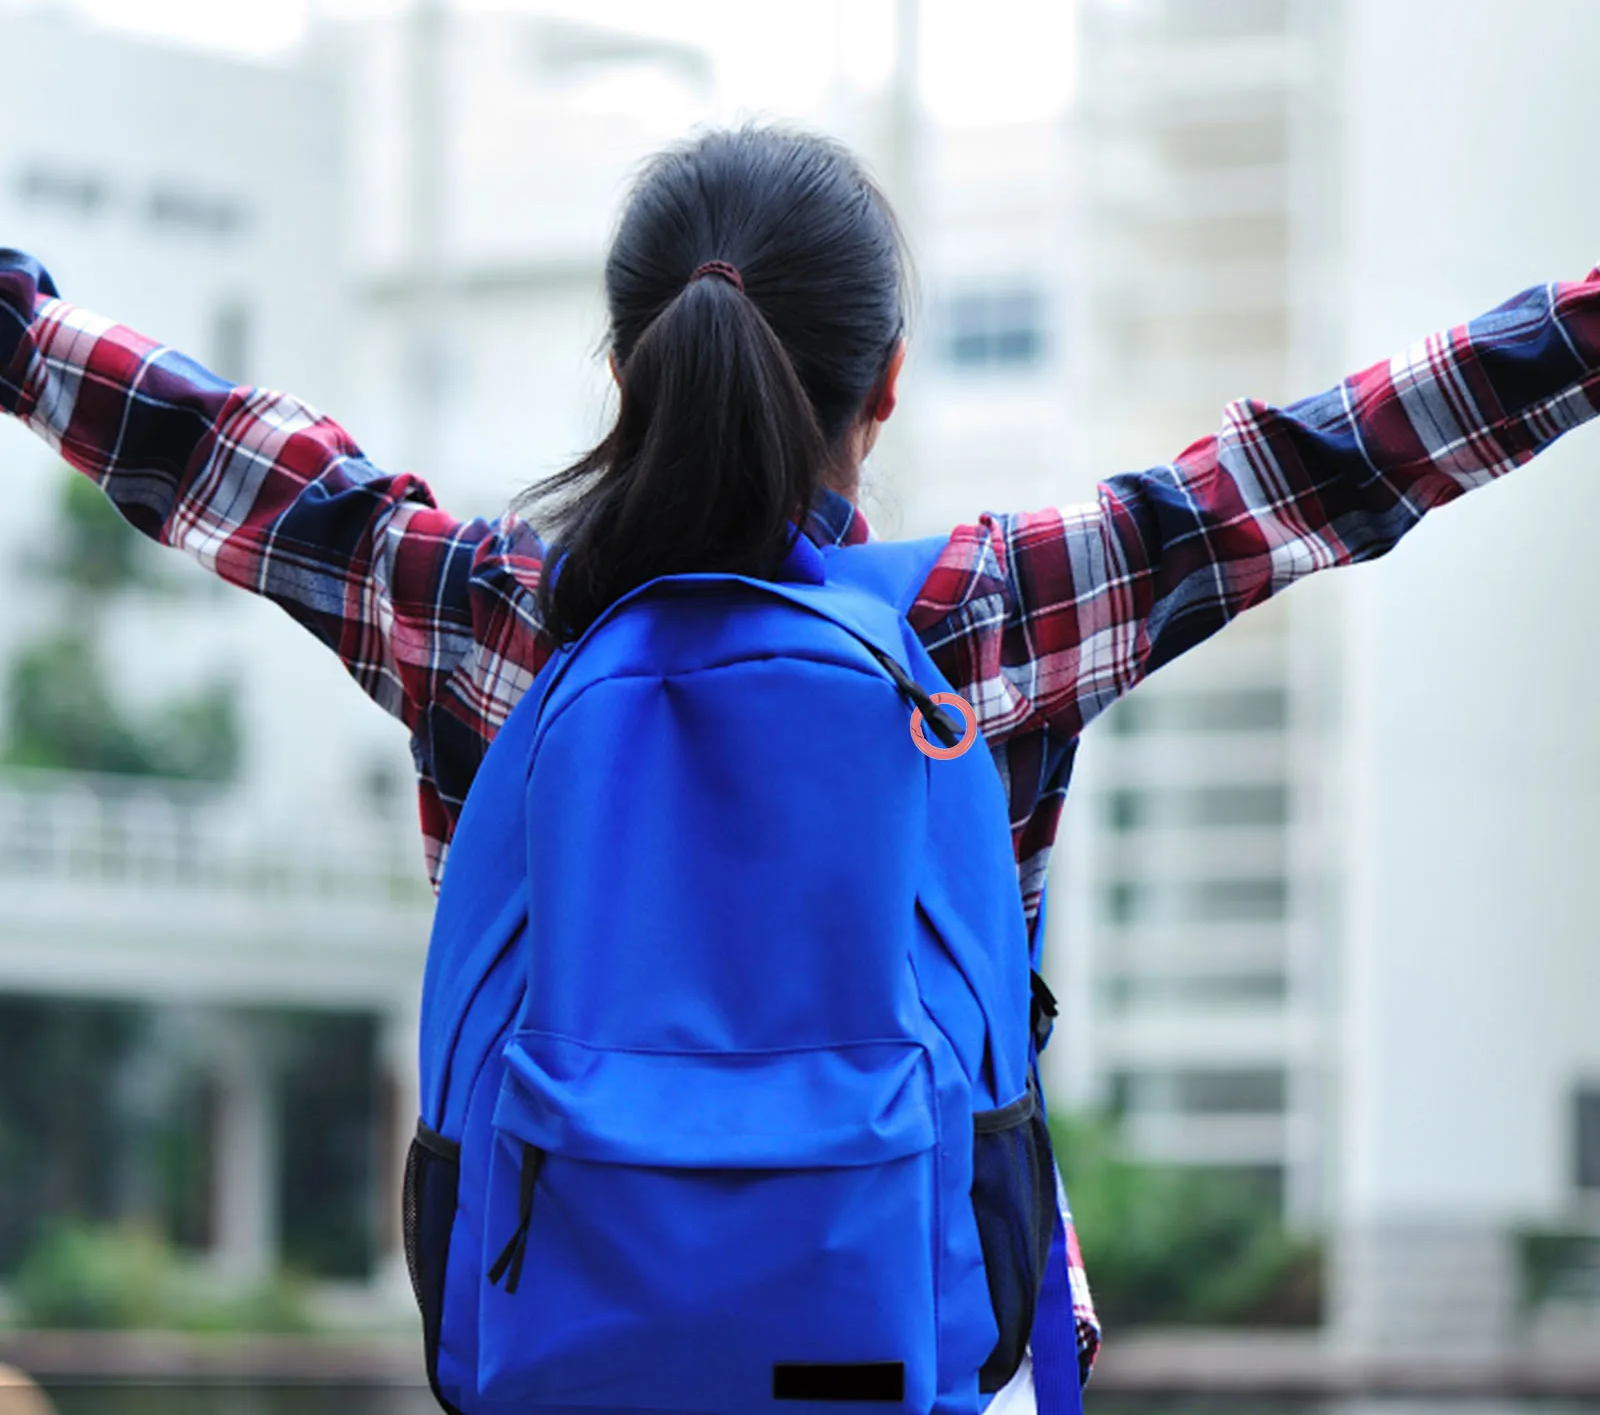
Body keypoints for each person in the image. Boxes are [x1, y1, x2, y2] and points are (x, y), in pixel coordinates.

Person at [3, 125, 1599, 1407]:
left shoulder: (495, 617)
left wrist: (19, 323)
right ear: (885, 382)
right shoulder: (980, 622)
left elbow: (220, 455)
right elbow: (1311, 468)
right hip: (909, 1342)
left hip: (562, 1343)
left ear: (625, 367)